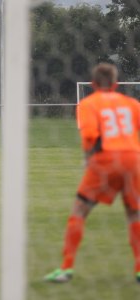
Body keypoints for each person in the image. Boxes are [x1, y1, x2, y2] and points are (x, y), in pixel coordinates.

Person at [44, 63, 140, 283]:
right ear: (116, 84)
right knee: (134, 213)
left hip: (105, 160)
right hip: (133, 160)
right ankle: (139, 269)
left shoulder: (88, 104)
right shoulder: (132, 104)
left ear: (92, 84)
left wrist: (89, 158)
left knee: (79, 211)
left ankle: (66, 268)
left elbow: (89, 135)